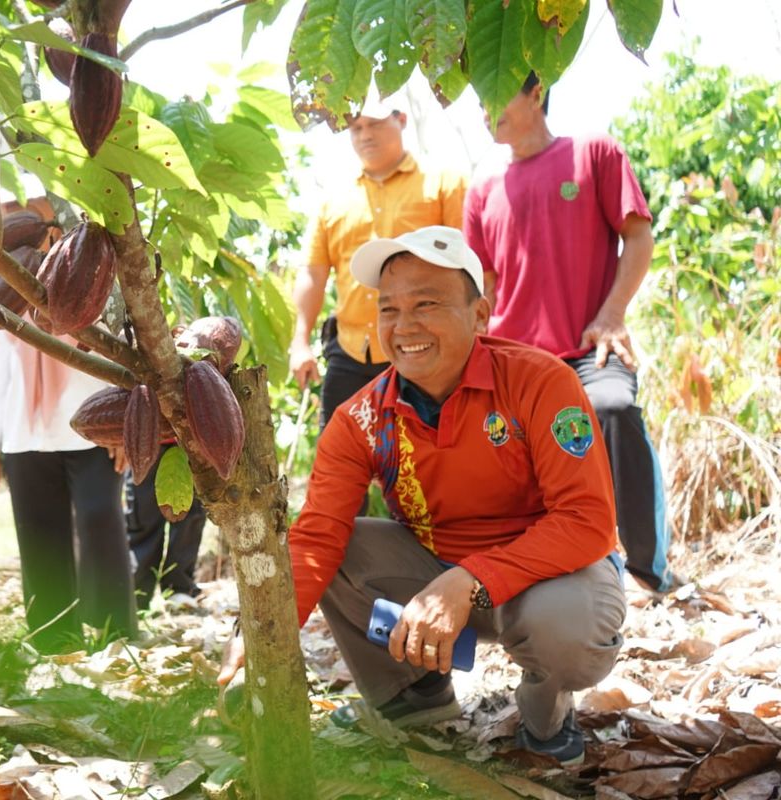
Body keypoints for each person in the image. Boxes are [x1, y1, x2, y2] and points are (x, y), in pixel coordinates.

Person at [220, 226, 626, 765]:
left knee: (567, 627)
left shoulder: (540, 382)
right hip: (431, 581)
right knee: (337, 546)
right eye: (388, 309)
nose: (404, 326)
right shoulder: (360, 418)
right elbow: (316, 538)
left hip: (546, 582)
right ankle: (414, 695)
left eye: (426, 304)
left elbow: (587, 521)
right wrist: (260, 634)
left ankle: (546, 717)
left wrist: (469, 580)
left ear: (480, 315)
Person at [463, 72, 675, 592]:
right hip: (516, 367)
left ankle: (650, 571)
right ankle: (521, 578)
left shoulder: (594, 154)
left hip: (588, 351)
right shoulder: (482, 191)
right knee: (492, 453)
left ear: (535, 92)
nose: (485, 110)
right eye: (479, 100)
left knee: (615, 410)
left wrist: (613, 313)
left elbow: (638, 237)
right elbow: (481, 287)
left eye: (496, 94)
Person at [289, 95, 467, 428]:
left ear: (401, 120)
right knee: (336, 463)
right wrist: (300, 341)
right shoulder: (333, 199)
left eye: (373, 124)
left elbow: (467, 265)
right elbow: (313, 273)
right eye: (355, 128)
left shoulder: (443, 183)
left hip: (424, 349)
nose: (364, 135)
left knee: (425, 468)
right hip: (352, 350)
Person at [0, 329, 137, 653]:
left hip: (94, 427)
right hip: (25, 431)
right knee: (39, 538)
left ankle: (116, 633)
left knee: (100, 521)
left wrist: (123, 425)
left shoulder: (96, 284)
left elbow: (123, 351)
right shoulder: (7, 293)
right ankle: (53, 639)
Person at [125, 445, 206, 610]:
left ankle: (179, 588)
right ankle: (136, 594)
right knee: (142, 519)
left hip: (191, 440)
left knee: (189, 520)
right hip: (146, 441)